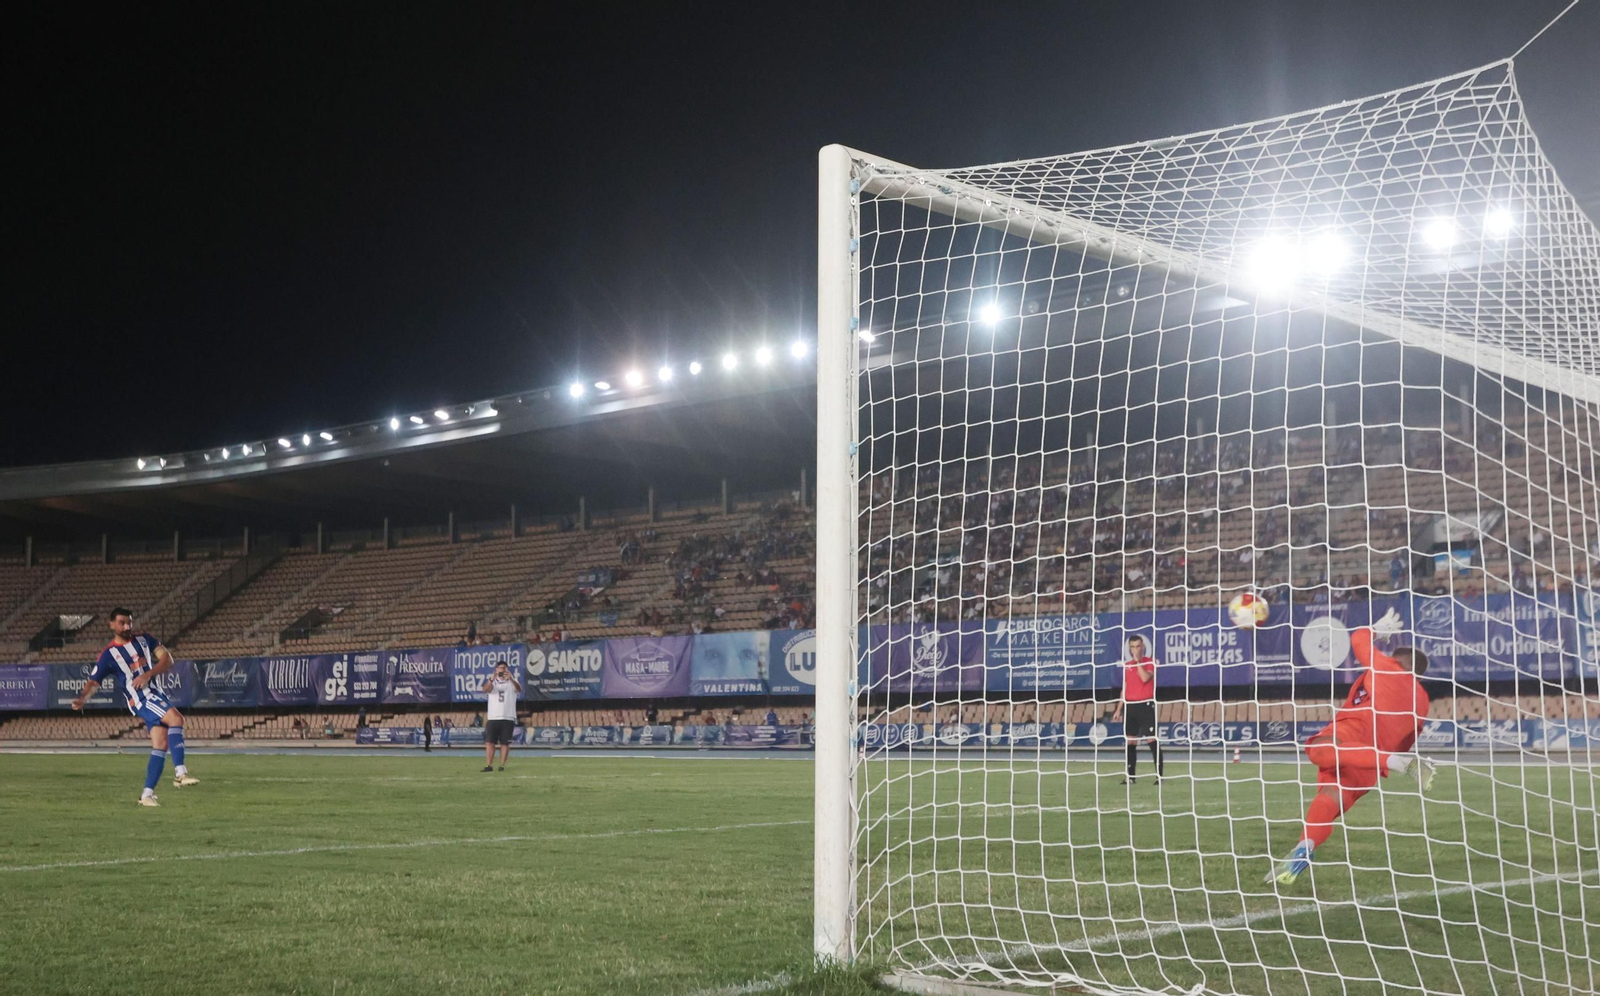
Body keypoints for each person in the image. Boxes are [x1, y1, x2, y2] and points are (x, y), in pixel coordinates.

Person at [1270, 608, 1436, 885]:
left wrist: (1377, 630)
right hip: (1368, 766)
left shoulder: (1387, 667)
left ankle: (1395, 763)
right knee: (1329, 800)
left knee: (1318, 751)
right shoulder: (1423, 702)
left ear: (1400, 662)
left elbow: (1358, 638)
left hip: (1353, 735)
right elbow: (1408, 739)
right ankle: (1303, 850)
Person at [71, 607, 199, 806]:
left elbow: (167, 659)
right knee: (177, 719)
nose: (127, 626)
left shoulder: (144, 639)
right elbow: (94, 681)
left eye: (129, 622)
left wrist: (148, 674)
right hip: (141, 698)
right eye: (122, 623)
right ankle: (180, 773)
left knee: (160, 744)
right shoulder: (109, 655)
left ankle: (147, 795)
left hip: (155, 693)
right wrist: (82, 699)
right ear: (112, 625)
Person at [1119, 634, 1162, 785]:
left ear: (1143, 647)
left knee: (1151, 739)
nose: (1135, 649)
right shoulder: (1127, 665)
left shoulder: (1150, 662)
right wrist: (1119, 708)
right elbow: (1125, 688)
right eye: (1132, 647)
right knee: (1131, 741)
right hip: (1130, 706)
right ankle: (1130, 777)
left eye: (1138, 646)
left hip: (1145, 705)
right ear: (1129, 649)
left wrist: (1138, 663)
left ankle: (1159, 776)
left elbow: (1145, 678)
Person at [480, 659, 520, 772]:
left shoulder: (512, 682)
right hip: (493, 717)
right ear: (496, 670)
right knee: (490, 742)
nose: (502, 671)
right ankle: (489, 765)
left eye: (504, 669)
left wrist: (511, 678)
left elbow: (519, 689)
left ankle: (502, 765)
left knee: (505, 743)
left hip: (508, 716)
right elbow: (485, 690)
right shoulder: (493, 682)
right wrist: (492, 678)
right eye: (500, 669)